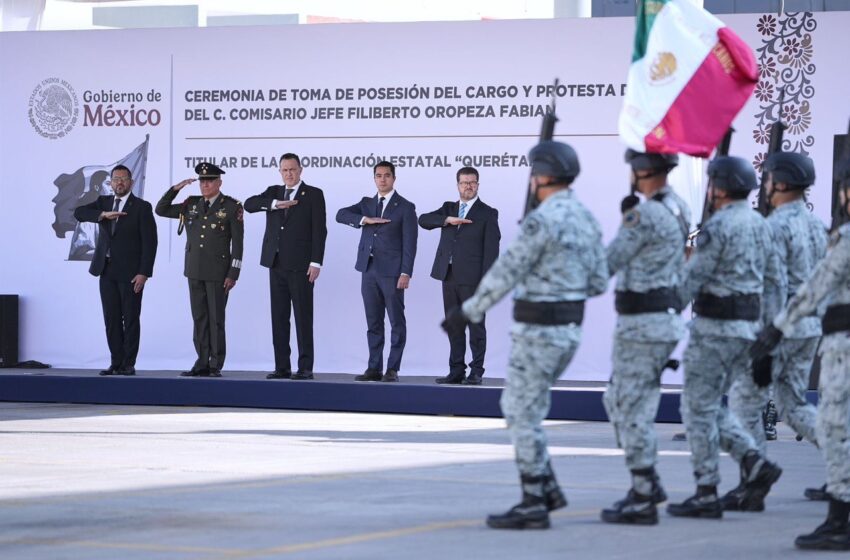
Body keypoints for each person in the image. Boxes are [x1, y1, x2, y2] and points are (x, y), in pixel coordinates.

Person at [443, 140, 608, 530]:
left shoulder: (541, 219)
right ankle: (546, 486)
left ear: (544, 176)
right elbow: (599, 280)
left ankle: (535, 498)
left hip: (539, 330)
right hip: (568, 328)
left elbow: (507, 271)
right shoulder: (586, 217)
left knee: (520, 413)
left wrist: (468, 310)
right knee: (529, 409)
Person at [667, 155, 783, 519]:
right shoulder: (763, 226)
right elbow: (775, 282)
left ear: (717, 188)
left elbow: (693, 279)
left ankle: (706, 488)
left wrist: (667, 300)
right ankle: (752, 460)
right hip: (749, 329)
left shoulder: (716, 229)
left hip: (714, 329)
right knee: (715, 404)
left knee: (697, 406)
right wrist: (771, 331)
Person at [750, 157, 850, 550]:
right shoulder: (817, 226)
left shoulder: (841, 237)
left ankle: (840, 517)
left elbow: (814, 287)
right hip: (819, 333)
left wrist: (773, 330)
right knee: (802, 409)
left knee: (834, 423)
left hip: (832, 339)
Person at [724, 152, 826, 506]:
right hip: (810, 327)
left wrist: (765, 339)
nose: (765, 187)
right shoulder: (817, 226)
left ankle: (752, 483)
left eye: (768, 180)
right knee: (795, 404)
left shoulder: (773, 227)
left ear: (780, 183)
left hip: (780, 329)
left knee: (744, 402)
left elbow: (772, 287)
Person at [601, 150, 690, 525]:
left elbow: (606, 263)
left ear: (641, 173)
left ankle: (642, 492)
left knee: (628, 407)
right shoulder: (678, 207)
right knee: (627, 401)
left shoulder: (644, 214)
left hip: (642, 323)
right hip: (661, 319)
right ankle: (647, 480)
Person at [155, 162, 244, 377]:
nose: (205, 185)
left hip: (218, 272)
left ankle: (215, 363)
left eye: (210, 181)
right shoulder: (191, 204)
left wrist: (233, 273)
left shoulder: (231, 206)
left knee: (215, 319)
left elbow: (238, 245)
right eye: (202, 181)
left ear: (219, 183)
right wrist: (175, 189)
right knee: (199, 317)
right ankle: (202, 361)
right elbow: (161, 209)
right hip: (194, 269)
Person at [244, 153, 327, 380]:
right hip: (276, 263)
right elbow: (249, 204)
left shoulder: (313, 194)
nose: (289, 173)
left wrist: (316, 262)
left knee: (302, 317)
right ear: (280, 172)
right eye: (284, 170)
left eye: (292, 169)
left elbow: (320, 231)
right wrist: (274, 204)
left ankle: (305, 368)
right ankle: (282, 367)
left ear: (300, 170)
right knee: (279, 317)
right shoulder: (274, 192)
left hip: (302, 265)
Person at [336, 161, 418, 382]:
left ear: (394, 178)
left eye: (387, 175)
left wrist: (406, 272)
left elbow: (410, 244)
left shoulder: (405, 207)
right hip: (368, 270)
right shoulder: (366, 203)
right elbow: (340, 214)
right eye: (379, 175)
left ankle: (392, 368)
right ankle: (374, 367)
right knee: (373, 322)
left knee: (396, 322)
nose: (383, 179)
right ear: (374, 178)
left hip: (392, 272)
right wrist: (364, 220)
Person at [418, 166, 501, 385]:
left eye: (472, 182)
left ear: (478, 185)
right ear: (457, 185)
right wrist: (447, 220)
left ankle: (476, 372)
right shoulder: (448, 208)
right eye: (464, 182)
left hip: (474, 280)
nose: (468, 186)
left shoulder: (488, 212)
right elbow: (423, 220)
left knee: (476, 326)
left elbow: (492, 251)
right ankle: (456, 371)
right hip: (449, 276)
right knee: (455, 325)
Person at [73, 165, 157, 376]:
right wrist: (102, 215)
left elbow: (150, 243)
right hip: (106, 270)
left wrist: (144, 273)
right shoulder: (103, 202)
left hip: (131, 273)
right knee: (111, 319)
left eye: (124, 179)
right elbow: (79, 212)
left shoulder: (142, 207)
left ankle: (128, 363)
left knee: (129, 318)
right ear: (110, 182)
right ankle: (115, 362)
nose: (119, 182)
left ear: (131, 182)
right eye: (116, 179)